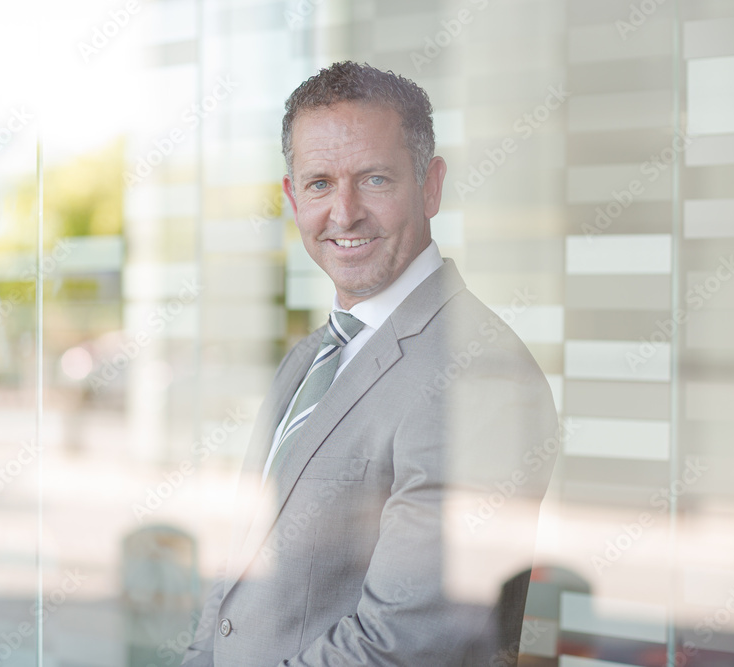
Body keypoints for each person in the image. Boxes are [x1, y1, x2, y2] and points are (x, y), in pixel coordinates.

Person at [183, 61, 558, 667]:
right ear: (291, 196)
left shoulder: (483, 379)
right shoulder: (311, 359)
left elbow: (404, 645)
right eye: (320, 184)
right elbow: (236, 583)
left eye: (376, 179)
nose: (345, 212)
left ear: (431, 185)